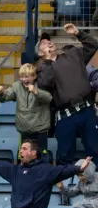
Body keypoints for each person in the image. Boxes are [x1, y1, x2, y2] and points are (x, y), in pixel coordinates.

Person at [0, 141, 92, 208]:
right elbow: (0, 166)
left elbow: (64, 170)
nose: (20, 151)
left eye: (24, 149)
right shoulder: (16, 171)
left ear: (33, 153)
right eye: (20, 149)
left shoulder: (46, 171)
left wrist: (78, 168)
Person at [36, 24, 98, 165]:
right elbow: (45, 84)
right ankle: (67, 186)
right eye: (43, 44)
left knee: (95, 150)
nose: (48, 42)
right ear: (40, 53)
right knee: (65, 154)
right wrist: (46, 60)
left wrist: (78, 33)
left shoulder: (73, 54)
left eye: (49, 41)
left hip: (87, 111)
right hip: (66, 116)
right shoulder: (42, 69)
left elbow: (93, 45)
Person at [0, 63, 52, 157]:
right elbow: (6, 97)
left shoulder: (42, 84)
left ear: (34, 76)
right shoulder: (16, 86)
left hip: (40, 129)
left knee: (42, 156)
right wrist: (0, 93)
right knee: (24, 157)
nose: (23, 79)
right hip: (24, 129)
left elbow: (48, 98)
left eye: (26, 76)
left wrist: (35, 92)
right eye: (21, 77)